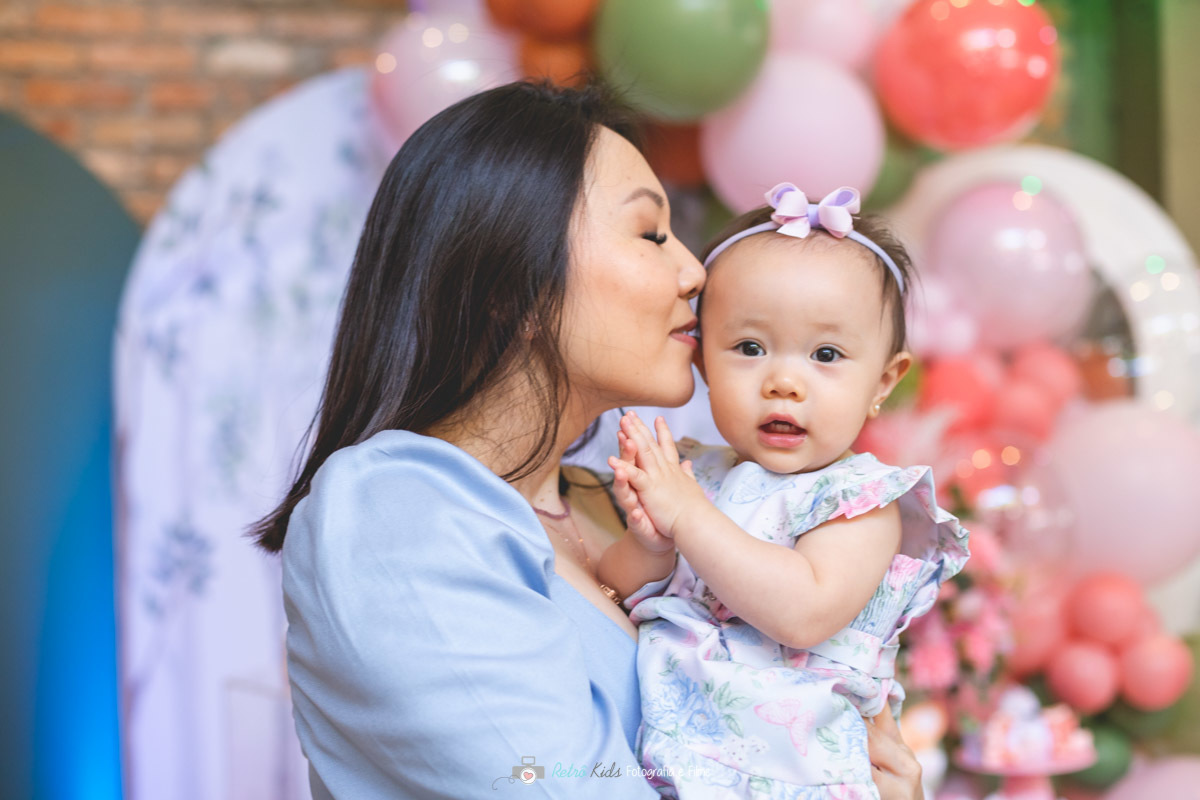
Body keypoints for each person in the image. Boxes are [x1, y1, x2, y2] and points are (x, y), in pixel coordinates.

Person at [252, 82, 927, 799]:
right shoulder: (397, 510)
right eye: (650, 234)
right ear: (515, 287)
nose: (696, 273)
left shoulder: (634, 504)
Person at [600, 184, 970, 798]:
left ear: (883, 380)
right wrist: (651, 545)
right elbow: (617, 591)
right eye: (749, 348)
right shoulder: (698, 477)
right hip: (676, 766)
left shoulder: (860, 501)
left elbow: (804, 612)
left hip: (798, 777)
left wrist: (688, 517)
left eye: (825, 354)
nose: (784, 382)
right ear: (702, 366)